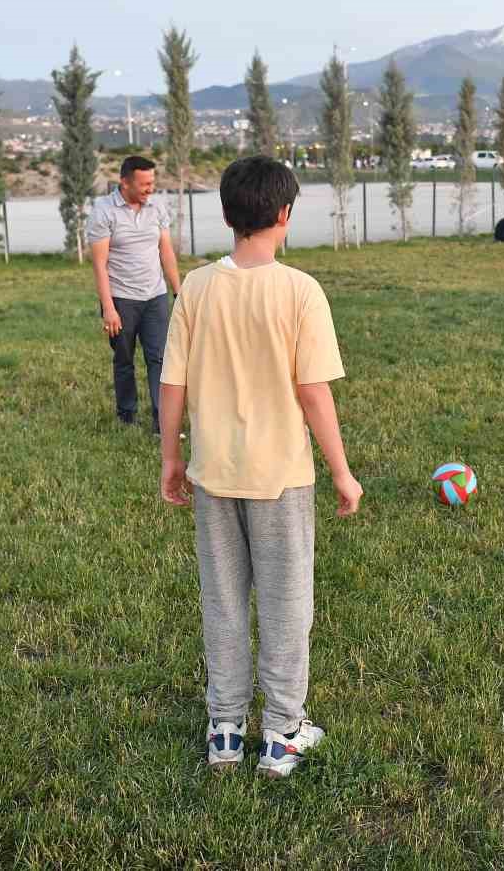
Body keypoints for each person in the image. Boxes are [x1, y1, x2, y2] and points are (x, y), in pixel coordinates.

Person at [157, 155, 363, 779]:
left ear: (226, 215)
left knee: (223, 601)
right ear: (284, 215)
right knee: (286, 605)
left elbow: (172, 384)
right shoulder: (300, 290)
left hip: (213, 473)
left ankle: (224, 730)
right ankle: (282, 733)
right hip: (281, 479)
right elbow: (313, 392)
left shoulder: (195, 287)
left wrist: (171, 458)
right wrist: (342, 471)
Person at [87, 155, 182, 431]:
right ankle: (126, 416)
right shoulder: (104, 211)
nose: (150, 188)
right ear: (125, 182)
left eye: (152, 182)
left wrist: (178, 293)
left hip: (155, 297)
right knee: (124, 359)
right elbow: (99, 264)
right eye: (144, 184)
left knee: (159, 358)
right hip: (122, 299)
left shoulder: (157, 207)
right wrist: (109, 308)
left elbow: (166, 252)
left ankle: (161, 421)